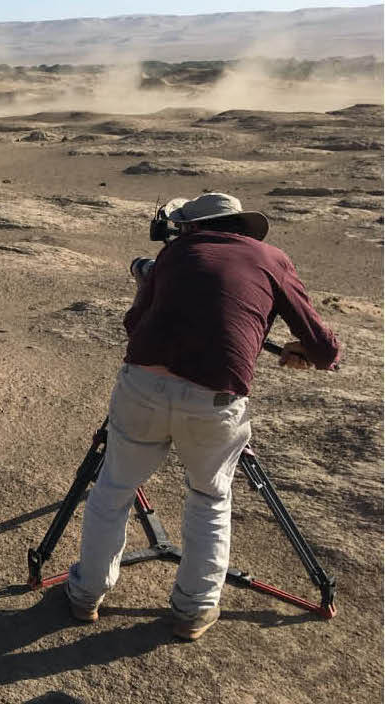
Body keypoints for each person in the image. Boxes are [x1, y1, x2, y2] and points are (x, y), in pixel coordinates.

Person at [66, 192, 341, 640]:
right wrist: (306, 353)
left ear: (193, 227)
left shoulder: (174, 254)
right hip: (215, 399)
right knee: (210, 498)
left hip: (143, 386)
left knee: (114, 487)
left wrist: (148, 288)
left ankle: (85, 595)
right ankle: (192, 612)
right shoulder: (271, 258)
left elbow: (135, 327)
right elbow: (324, 347)